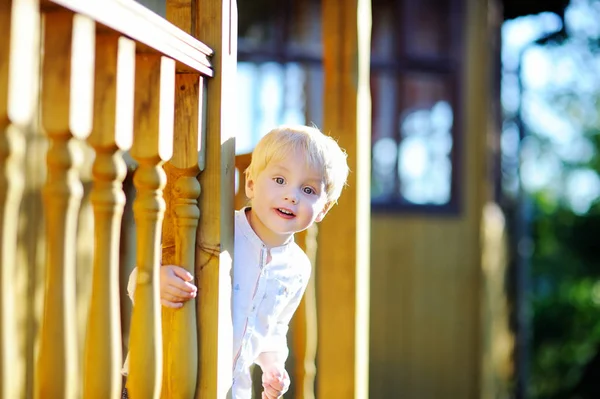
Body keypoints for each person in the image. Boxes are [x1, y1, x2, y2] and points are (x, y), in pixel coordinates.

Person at [124, 125, 349, 399]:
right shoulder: (216, 228)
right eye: (279, 180)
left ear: (323, 210)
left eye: (308, 190)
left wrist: (273, 364)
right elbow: (140, 276)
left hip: (229, 389)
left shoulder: (298, 267)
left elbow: (275, 327)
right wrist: (158, 281)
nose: (292, 195)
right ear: (251, 183)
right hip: (158, 380)